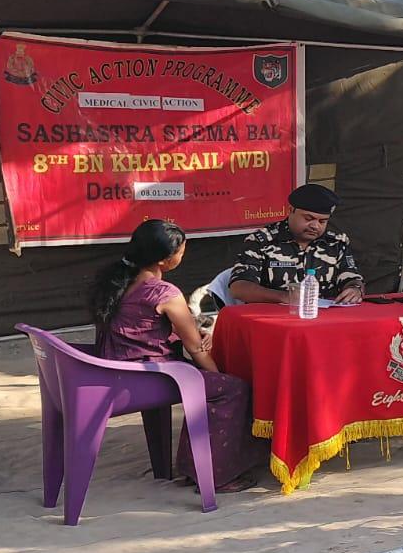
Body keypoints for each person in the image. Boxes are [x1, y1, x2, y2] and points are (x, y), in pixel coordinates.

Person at [90, 220, 267, 492]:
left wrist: (190, 333)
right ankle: (217, 475)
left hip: (116, 368)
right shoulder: (165, 293)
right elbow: (195, 348)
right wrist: (217, 374)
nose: (183, 256)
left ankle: (191, 466)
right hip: (147, 377)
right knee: (231, 389)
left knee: (212, 381)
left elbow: (144, 324)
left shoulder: (115, 281)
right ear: (164, 260)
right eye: (181, 251)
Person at [229, 184, 366, 304]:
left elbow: (352, 278)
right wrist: (284, 297)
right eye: (308, 218)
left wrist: (355, 289)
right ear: (290, 211)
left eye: (322, 221)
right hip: (274, 316)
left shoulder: (335, 243)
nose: (315, 226)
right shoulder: (261, 241)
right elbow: (239, 288)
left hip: (323, 316)